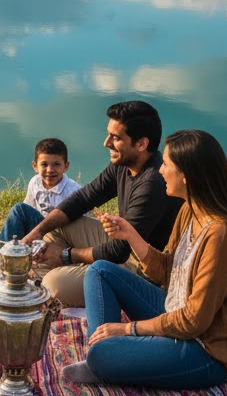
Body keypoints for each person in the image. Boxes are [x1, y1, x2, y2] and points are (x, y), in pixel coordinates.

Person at [61, 129, 227, 390]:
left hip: (210, 350)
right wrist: (131, 236)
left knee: (103, 354)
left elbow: (193, 322)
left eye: (166, 164)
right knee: (99, 271)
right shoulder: (190, 209)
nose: (160, 171)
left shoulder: (221, 236)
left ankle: (104, 356)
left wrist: (129, 329)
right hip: (176, 313)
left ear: (186, 177)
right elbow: (169, 271)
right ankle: (104, 353)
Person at [20, 100, 182, 307]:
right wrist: (37, 231)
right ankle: (73, 276)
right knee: (57, 228)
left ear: (141, 144)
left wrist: (64, 255)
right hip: (126, 248)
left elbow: (118, 251)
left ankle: (71, 279)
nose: (106, 143)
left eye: (115, 138)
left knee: (53, 285)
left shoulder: (152, 183)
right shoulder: (124, 164)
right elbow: (84, 198)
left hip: (147, 273)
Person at [0, 137, 82, 242]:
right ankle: (4, 248)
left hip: (62, 235)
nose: (50, 170)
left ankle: (6, 251)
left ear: (66, 166)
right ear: (35, 166)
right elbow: (28, 209)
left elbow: (82, 224)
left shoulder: (74, 190)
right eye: (44, 164)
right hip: (39, 230)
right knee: (19, 210)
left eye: (56, 164)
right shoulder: (35, 182)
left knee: (19, 209)